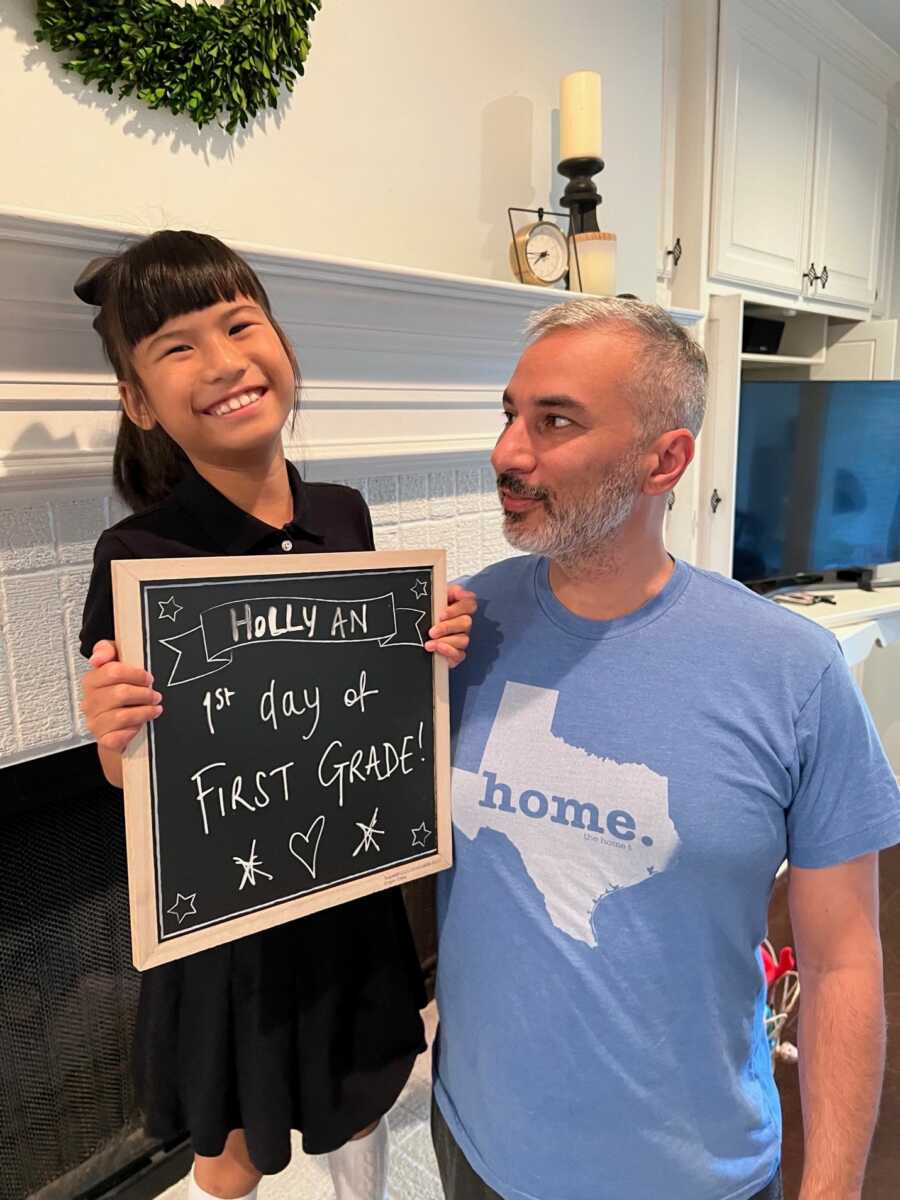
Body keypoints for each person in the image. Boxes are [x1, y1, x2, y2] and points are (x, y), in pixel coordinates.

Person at [432, 297, 900, 1200]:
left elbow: (844, 961)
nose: (508, 454)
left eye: (554, 421)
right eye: (509, 415)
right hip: (479, 1153)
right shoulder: (462, 628)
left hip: (695, 1176)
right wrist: (132, 738)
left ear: (666, 459)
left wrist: (832, 1190)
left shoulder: (791, 673)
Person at [75, 230, 475, 1200]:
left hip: (347, 886)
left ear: (281, 343)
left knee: (366, 1092)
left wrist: (432, 644)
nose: (222, 363)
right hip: (229, 927)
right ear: (139, 402)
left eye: (239, 324)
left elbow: (373, 693)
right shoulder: (140, 554)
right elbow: (128, 780)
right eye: (175, 348)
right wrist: (111, 732)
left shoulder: (343, 514)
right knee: (232, 1146)